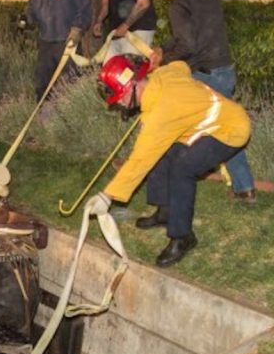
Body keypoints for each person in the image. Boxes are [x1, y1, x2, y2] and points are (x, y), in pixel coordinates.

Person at [87, 55, 250, 267]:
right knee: (163, 153)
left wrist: (107, 196)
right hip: (208, 125)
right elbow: (180, 66)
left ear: (135, 85)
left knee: (183, 168)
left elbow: (139, 161)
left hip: (230, 129)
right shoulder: (162, 75)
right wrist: (157, 63)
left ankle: (182, 237)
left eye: (120, 96)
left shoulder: (161, 115)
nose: (118, 102)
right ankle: (165, 212)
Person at [150, 0, 256, 203]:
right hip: (224, 70)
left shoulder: (180, 4)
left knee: (172, 123)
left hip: (206, 75)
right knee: (227, 127)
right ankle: (244, 188)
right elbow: (188, 36)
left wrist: (163, 61)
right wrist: (164, 47)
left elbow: (187, 45)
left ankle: (169, 184)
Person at [27, 0, 92, 101]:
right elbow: (32, 8)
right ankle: (43, 122)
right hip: (46, 44)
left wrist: (78, 28)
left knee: (69, 88)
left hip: (67, 43)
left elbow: (84, 8)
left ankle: (68, 124)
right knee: (42, 86)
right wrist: (27, 19)